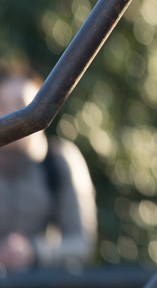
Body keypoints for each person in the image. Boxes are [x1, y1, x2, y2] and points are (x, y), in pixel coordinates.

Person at [0, 65, 96, 272]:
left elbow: (82, 243)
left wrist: (34, 252)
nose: (10, 114)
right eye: (2, 105)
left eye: (20, 105)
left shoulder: (61, 161)